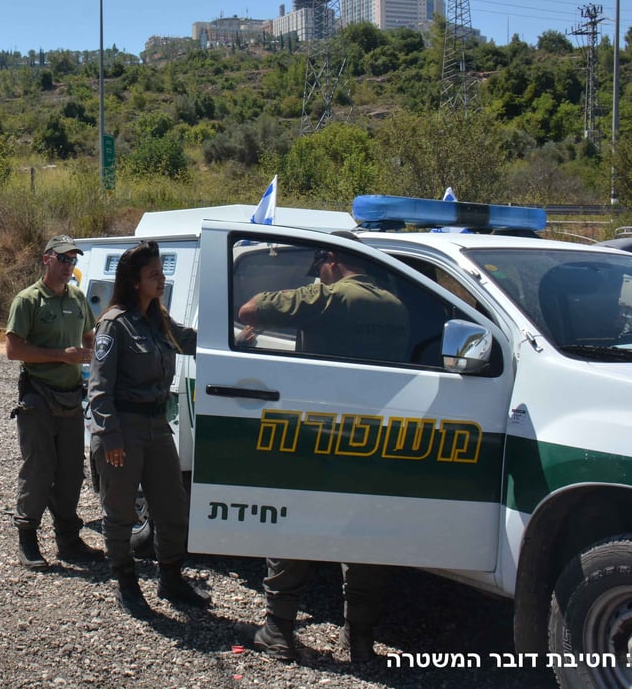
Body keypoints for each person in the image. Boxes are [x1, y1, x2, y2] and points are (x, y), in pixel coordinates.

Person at [236, 231, 409, 664]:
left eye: (321, 270)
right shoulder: (396, 305)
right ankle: (361, 641)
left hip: (320, 435)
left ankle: (278, 629)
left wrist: (311, 292)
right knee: (365, 538)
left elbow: (251, 308)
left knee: (295, 526)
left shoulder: (329, 298)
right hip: (373, 436)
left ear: (331, 260)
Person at [88, 241, 207, 616]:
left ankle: (171, 578)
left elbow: (191, 342)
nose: (162, 278)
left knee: (172, 508)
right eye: (154, 274)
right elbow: (99, 389)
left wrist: (238, 338)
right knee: (120, 512)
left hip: (157, 425)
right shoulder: (114, 324)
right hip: (124, 427)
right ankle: (126, 584)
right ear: (135, 281)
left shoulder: (160, 319)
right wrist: (109, 436)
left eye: (162, 271)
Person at [5, 234, 101, 569]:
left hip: (71, 396)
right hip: (38, 395)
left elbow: (90, 335)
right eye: (62, 259)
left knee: (72, 471)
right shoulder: (28, 300)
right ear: (46, 259)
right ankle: (27, 537)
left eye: (72, 260)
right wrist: (62, 355)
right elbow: (13, 349)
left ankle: (68, 539)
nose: (67, 265)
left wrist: (89, 354)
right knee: (39, 468)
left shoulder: (76, 297)